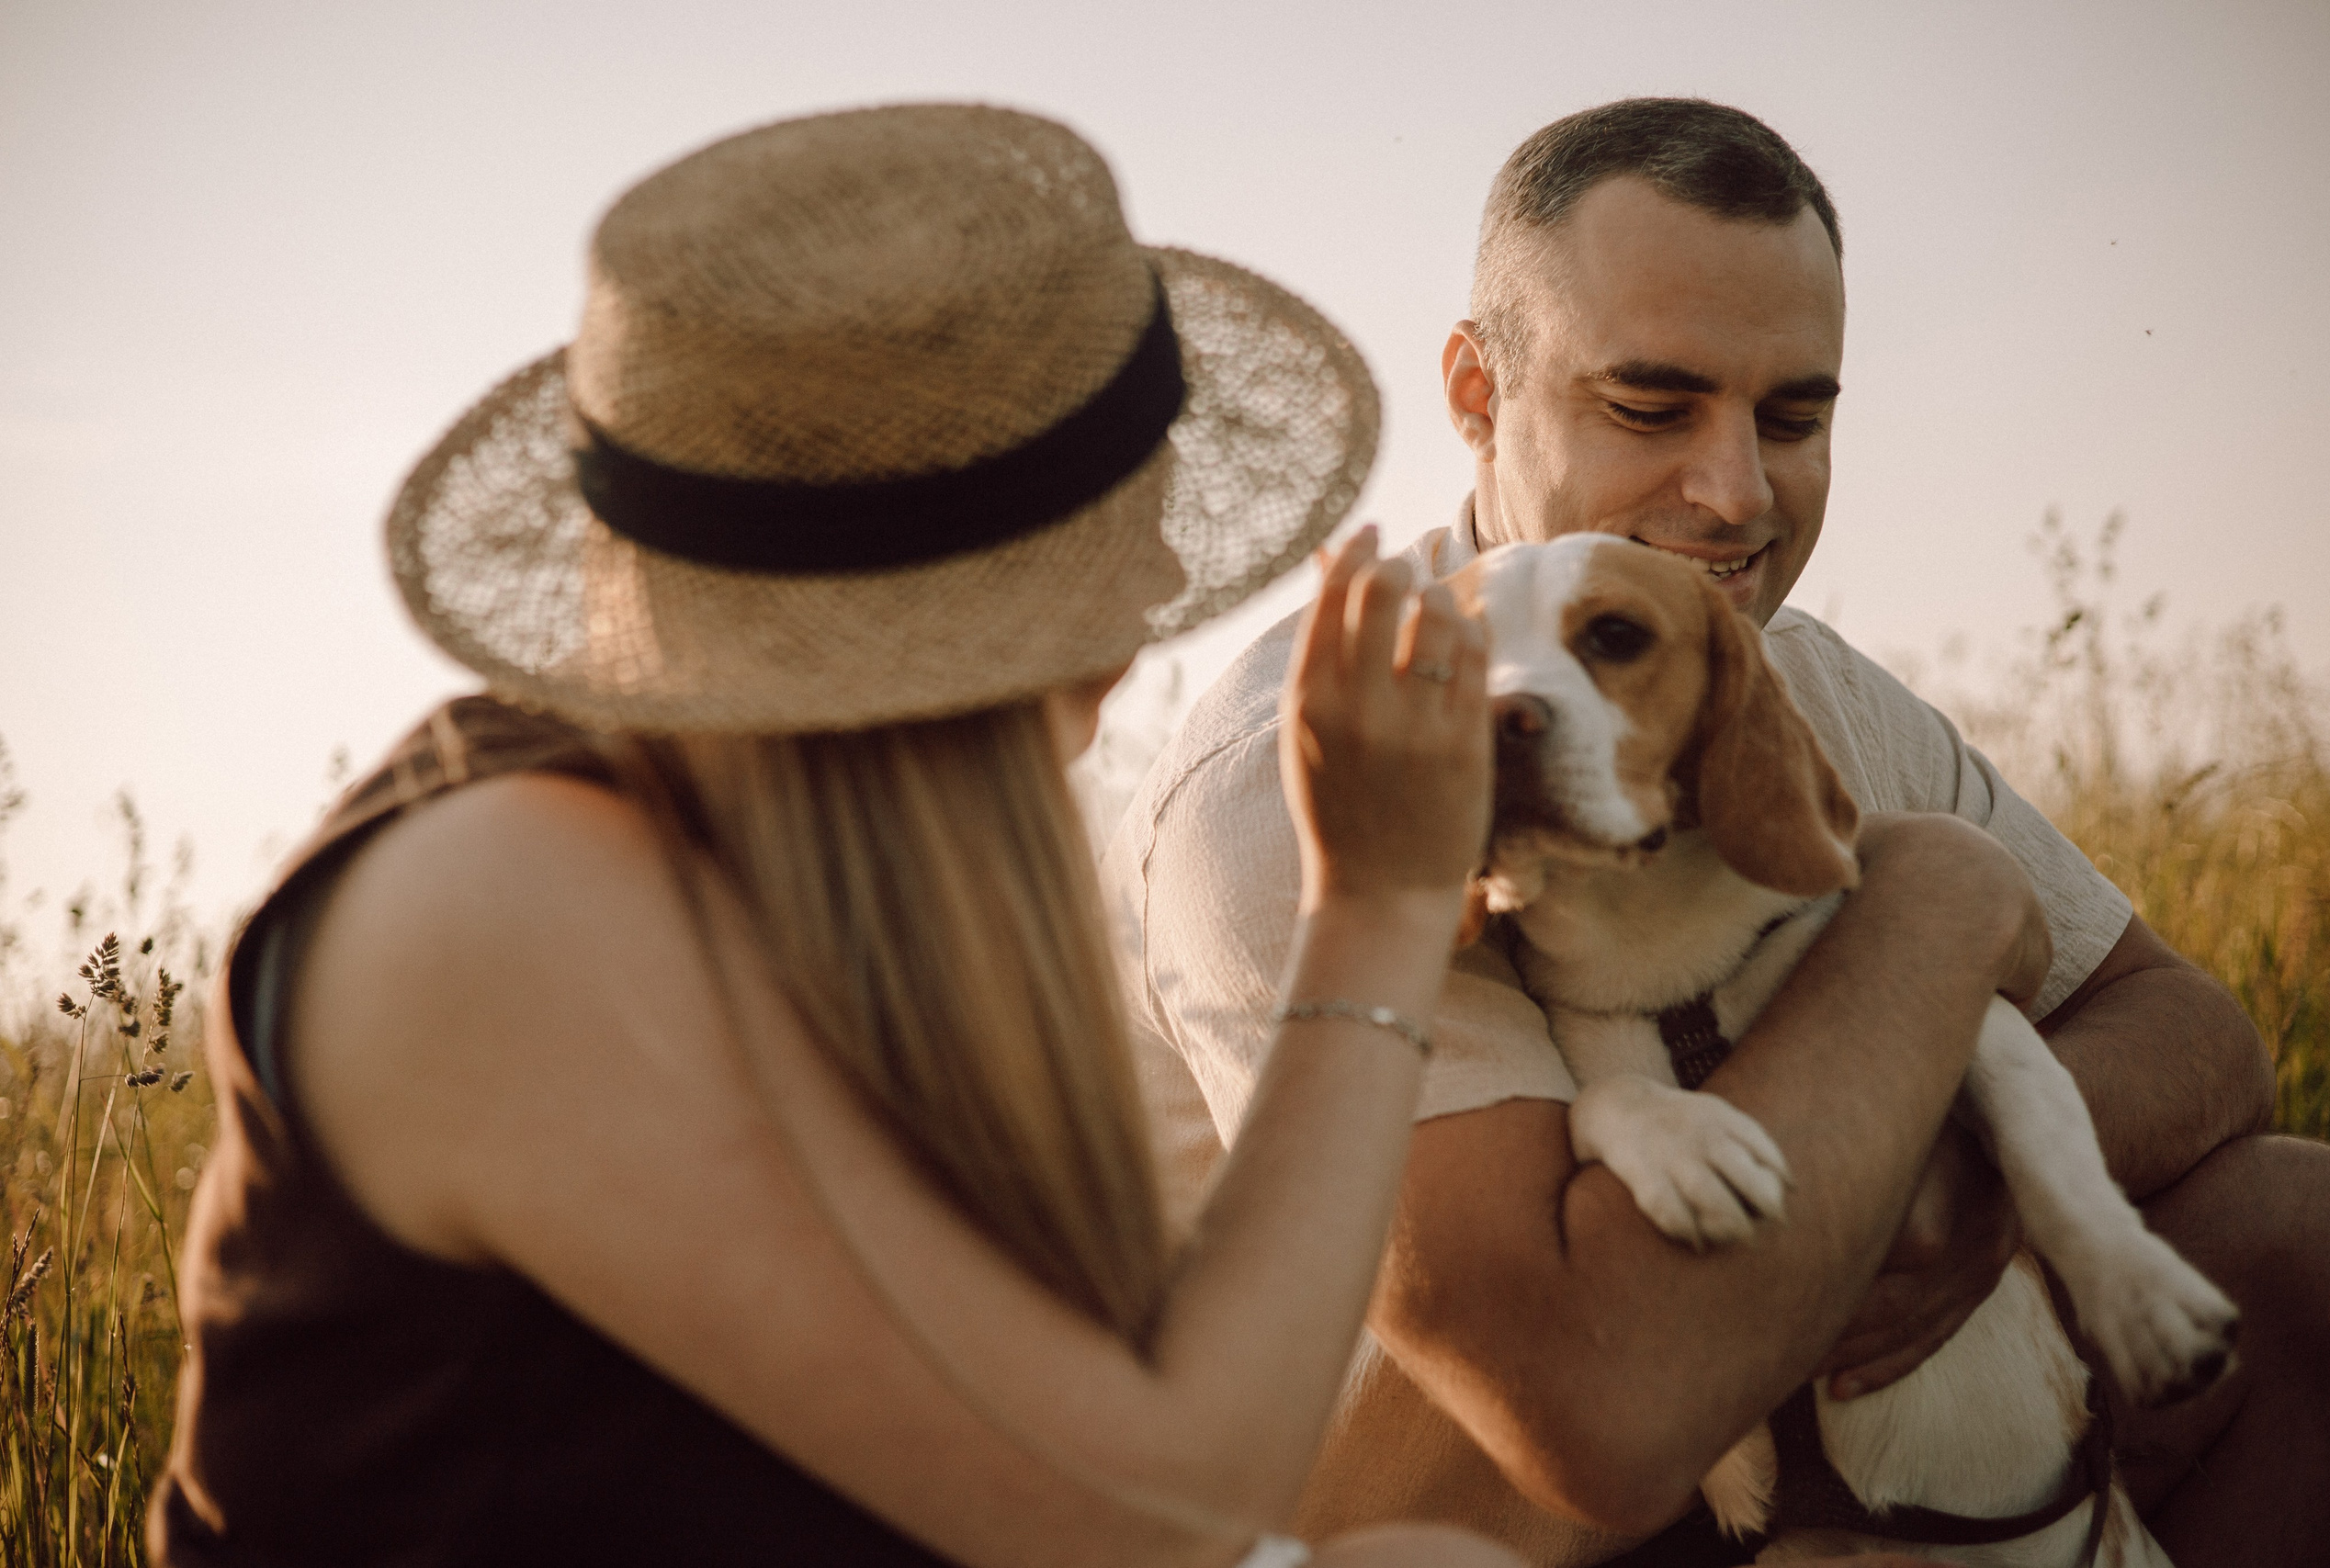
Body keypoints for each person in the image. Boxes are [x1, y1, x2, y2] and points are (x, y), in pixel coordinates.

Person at [148, 103, 1550, 1568]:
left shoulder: (828, 892)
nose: (1167, 567)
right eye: (1120, 516)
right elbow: (1160, 1516)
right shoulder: (491, 904)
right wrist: (1376, 909)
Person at [1106, 97, 2330, 1568]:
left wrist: (1955, 1186)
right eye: (1651, 406)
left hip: (1805, 1427)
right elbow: (1592, 1414)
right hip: (1469, 1510)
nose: (1737, 494)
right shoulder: (1313, 764)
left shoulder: (1789, 675)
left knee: (2301, 1230)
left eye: (1794, 416)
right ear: (1476, 391)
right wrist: (1938, 912)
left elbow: (2189, 1028)